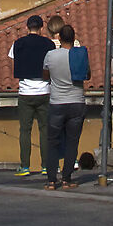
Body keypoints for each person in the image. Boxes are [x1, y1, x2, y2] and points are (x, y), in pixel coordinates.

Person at [41, 23, 88, 189]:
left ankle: (51, 180)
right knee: (72, 142)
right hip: (76, 102)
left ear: (59, 38)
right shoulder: (80, 55)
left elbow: (45, 75)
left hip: (57, 103)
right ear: (74, 38)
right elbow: (87, 74)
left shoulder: (50, 55)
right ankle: (67, 178)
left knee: (52, 142)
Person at [8, 13, 53, 176]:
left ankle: (25, 166)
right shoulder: (49, 44)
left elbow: (12, 60)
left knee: (25, 130)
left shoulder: (18, 43)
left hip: (25, 92)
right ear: (41, 28)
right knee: (45, 129)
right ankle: (46, 166)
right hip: (44, 91)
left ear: (27, 27)